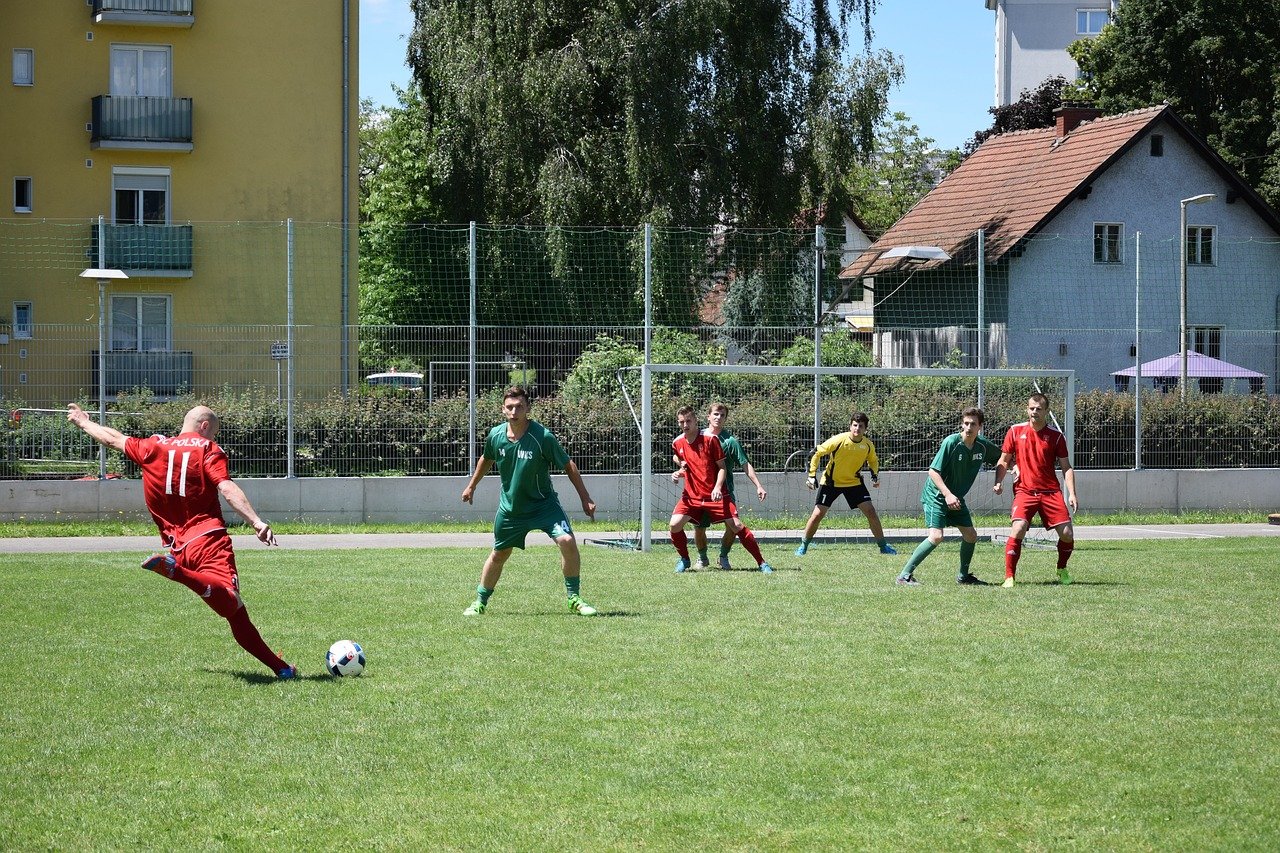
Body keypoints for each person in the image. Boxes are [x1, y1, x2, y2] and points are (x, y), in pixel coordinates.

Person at [66, 403, 297, 679]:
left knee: (234, 612)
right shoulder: (208, 450)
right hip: (208, 539)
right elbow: (226, 487)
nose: (214, 438)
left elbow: (112, 438)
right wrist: (256, 521)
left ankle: (282, 669)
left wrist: (83, 422)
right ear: (204, 427)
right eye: (214, 433)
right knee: (231, 602)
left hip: (177, 545)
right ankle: (178, 573)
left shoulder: (154, 447)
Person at [461, 386, 599, 616]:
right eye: (510, 407)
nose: (514, 411)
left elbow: (568, 465)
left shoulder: (542, 436)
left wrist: (586, 498)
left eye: (519, 407)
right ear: (503, 409)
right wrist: (471, 486)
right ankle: (479, 602)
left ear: (527, 409)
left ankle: (574, 598)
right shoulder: (496, 435)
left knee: (567, 540)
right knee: (499, 554)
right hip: (512, 509)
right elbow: (487, 458)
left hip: (544, 505)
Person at [896, 407, 1002, 586]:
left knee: (970, 535)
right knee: (936, 536)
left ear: (980, 426)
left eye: (973, 424)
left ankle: (963, 577)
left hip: (956, 497)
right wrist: (947, 494)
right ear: (962, 424)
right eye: (966, 423)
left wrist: (1002, 478)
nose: (968, 427)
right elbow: (933, 472)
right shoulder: (951, 442)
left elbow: (1002, 459)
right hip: (937, 495)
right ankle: (904, 576)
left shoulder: (982, 446)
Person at [670, 405, 773, 574]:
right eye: (682, 422)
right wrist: (680, 468)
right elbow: (682, 457)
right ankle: (691, 559)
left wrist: (758, 485)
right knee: (683, 526)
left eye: (722, 415)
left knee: (735, 526)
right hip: (693, 496)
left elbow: (734, 466)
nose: (685, 424)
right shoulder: (679, 441)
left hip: (719, 493)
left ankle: (754, 561)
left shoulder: (722, 441)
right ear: (708, 417)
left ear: (696, 421)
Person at [992, 393, 1078, 588]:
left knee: (1067, 534)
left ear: (1046, 411)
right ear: (1027, 409)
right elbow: (1004, 461)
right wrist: (998, 481)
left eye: (1039, 409)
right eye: (1031, 408)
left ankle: (1062, 568)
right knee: (1018, 528)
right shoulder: (1015, 431)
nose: (1034, 412)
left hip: (1050, 492)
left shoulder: (1056, 437)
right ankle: (1009, 576)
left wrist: (1072, 493)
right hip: (1025, 491)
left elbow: (1066, 467)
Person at [796, 412, 896, 556]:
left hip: (853, 483)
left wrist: (875, 475)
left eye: (861, 426)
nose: (857, 429)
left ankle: (883, 547)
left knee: (871, 512)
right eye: (854, 425)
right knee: (817, 515)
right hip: (831, 483)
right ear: (850, 426)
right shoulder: (839, 440)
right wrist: (812, 475)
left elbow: (873, 460)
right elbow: (816, 453)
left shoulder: (867, 445)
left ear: (865, 429)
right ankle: (803, 546)